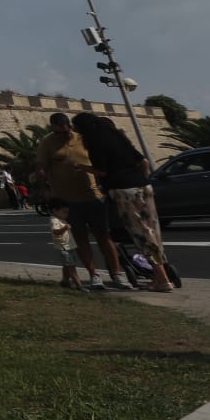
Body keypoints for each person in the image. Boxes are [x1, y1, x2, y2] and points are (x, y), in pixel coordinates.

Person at [73, 112, 175, 292]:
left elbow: (102, 172)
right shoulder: (118, 137)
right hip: (144, 188)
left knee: (142, 235)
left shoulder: (96, 143)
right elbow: (143, 161)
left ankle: (163, 279)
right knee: (153, 232)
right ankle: (161, 277)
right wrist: (143, 180)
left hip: (124, 191)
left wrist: (82, 167)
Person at [38, 111, 129, 290]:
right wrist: (44, 188)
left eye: (65, 131)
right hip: (67, 200)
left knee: (104, 236)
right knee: (80, 239)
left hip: (93, 196)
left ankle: (117, 274)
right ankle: (94, 274)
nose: (63, 136)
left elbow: (101, 161)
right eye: (58, 132)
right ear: (52, 128)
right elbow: (41, 166)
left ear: (69, 126)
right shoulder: (47, 143)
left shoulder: (84, 138)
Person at [47, 198, 99, 291]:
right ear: (55, 210)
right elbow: (56, 232)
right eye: (64, 212)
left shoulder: (61, 219)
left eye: (67, 212)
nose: (66, 215)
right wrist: (65, 228)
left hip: (69, 246)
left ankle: (65, 281)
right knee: (71, 266)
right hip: (63, 247)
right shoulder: (54, 220)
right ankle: (79, 285)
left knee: (67, 265)